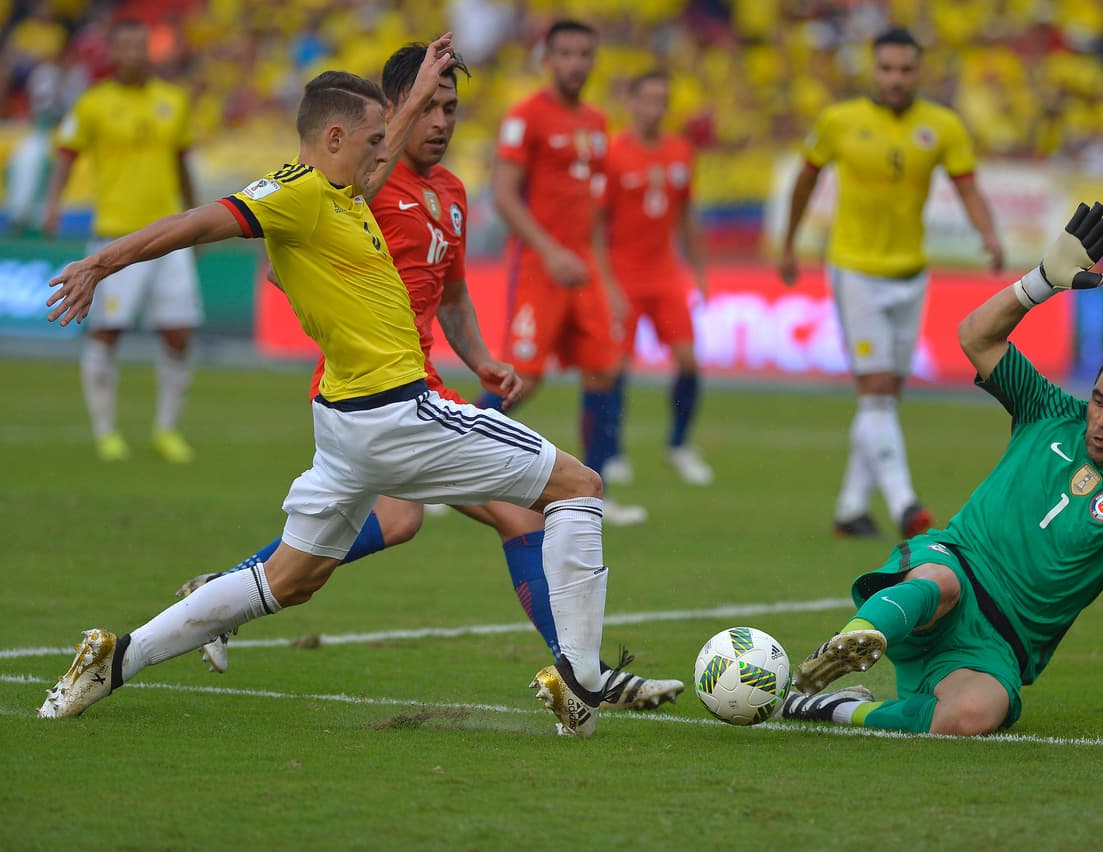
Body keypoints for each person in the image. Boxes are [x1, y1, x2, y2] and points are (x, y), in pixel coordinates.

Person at [39, 39, 615, 738]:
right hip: (398, 412)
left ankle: (115, 659)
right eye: (374, 140)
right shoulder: (300, 197)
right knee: (578, 486)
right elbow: (194, 224)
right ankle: (585, 677)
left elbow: (370, 163)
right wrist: (101, 261)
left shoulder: (341, 195)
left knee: (289, 581)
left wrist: (416, 91)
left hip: (346, 428)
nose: (385, 153)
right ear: (335, 138)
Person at [177, 43, 683, 712]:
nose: (442, 122)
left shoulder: (450, 192)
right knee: (510, 512)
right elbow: (285, 256)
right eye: (430, 107)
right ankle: (581, 674)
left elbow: (452, 294)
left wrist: (482, 361)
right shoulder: (366, 184)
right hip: (372, 392)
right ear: (390, 114)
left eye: (452, 109)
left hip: (423, 388)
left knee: (435, 520)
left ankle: (223, 592)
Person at [781, 202, 1103, 736]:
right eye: (1098, 400)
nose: (1102, 420)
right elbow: (975, 335)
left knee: (972, 717)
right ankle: (847, 643)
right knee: (937, 582)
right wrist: (1041, 281)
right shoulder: (1048, 411)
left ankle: (832, 707)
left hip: (998, 642)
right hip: (957, 566)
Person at [779, 26, 1004, 540]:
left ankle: (850, 509)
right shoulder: (840, 121)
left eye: (905, 69)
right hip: (855, 269)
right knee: (876, 389)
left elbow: (968, 188)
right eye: (887, 69)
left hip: (910, 272)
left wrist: (988, 234)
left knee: (885, 399)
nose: (896, 78)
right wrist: (790, 242)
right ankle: (905, 503)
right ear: (873, 70)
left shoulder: (942, 126)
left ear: (917, 72)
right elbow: (805, 180)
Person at [485, 18, 647, 526]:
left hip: (584, 270)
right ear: (547, 60)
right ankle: (443, 469)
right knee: (523, 380)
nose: (576, 63)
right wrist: (550, 251)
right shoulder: (527, 116)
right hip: (540, 265)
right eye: (567, 54)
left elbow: (595, 214)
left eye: (584, 54)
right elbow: (504, 195)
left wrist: (608, 278)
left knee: (605, 370)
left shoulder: (598, 124)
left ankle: (594, 491)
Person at [43, 18, 201, 463]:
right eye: (126, 47)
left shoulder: (173, 101)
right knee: (107, 331)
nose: (134, 54)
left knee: (179, 333)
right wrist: (52, 203)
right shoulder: (93, 103)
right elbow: (66, 154)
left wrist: (199, 221)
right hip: (115, 236)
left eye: (140, 46)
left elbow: (183, 164)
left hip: (171, 235)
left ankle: (166, 430)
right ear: (112, 54)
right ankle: (106, 432)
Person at [595, 69, 713, 487]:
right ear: (631, 102)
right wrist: (606, 282)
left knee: (687, 360)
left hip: (665, 273)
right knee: (615, 366)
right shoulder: (612, 153)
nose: (654, 108)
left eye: (661, 100)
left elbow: (686, 217)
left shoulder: (681, 151)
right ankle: (612, 452)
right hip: (623, 272)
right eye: (647, 99)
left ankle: (679, 444)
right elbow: (595, 223)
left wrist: (699, 271)